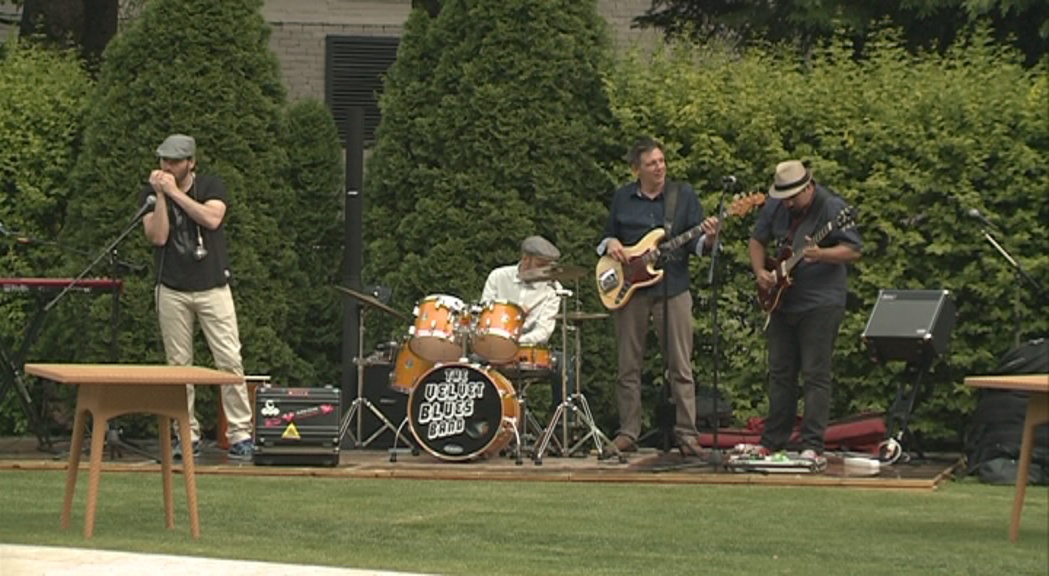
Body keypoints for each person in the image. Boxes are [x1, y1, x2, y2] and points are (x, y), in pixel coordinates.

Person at [597, 137, 718, 455]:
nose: (660, 167)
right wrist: (610, 244)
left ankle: (687, 435)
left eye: (662, 161)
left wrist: (708, 239)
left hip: (673, 286)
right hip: (630, 291)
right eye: (652, 164)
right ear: (637, 169)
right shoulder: (623, 197)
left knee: (680, 364)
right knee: (628, 366)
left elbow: (694, 243)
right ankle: (628, 432)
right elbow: (607, 235)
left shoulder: (683, 195)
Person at [139, 134, 254, 460]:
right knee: (178, 366)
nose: (167, 167)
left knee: (229, 360)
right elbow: (158, 236)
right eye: (163, 160)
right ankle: (185, 435)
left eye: (175, 161)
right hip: (172, 288)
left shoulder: (211, 186)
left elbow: (212, 218)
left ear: (191, 163)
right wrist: (162, 197)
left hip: (212, 286)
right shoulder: (150, 193)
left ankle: (241, 433)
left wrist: (175, 192)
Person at [747, 160, 862, 464]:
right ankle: (773, 441)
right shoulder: (775, 206)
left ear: (809, 187)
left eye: (794, 197)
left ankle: (813, 444)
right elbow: (757, 240)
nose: (788, 203)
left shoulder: (832, 208)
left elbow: (853, 250)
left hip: (821, 301)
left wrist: (820, 253)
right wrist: (761, 271)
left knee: (815, 374)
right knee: (780, 373)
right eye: (783, 197)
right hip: (783, 300)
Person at [481, 235, 572, 405]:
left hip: (527, 350)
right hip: (493, 347)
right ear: (525, 259)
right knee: (469, 364)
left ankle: (561, 425)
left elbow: (543, 332)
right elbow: (485, 317)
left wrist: (515, 344)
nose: (545, 271)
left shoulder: (553, 289)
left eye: (548, 266)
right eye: (540, 265)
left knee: (563, 364)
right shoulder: (498, 277)